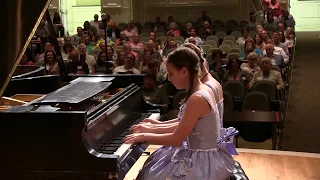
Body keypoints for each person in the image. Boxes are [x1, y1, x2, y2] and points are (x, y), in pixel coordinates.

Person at [124, 47, 238, 180]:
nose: (169, 79)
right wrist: (152, 129)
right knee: (154, 162)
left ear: (184, 71)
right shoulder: (200, 90)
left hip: (203, 162)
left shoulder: (198, 98)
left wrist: (145, 136)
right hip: (200, 153)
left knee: (151, 173)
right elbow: (182, 125)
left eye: (171, 73)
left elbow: (176, 139)